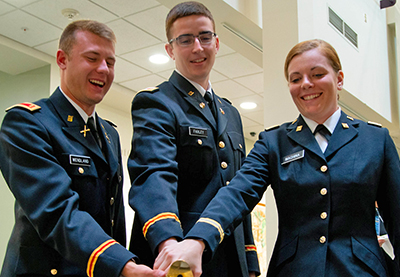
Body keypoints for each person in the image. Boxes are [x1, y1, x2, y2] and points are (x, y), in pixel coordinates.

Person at [154, 39, 400, 277]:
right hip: (295, 270)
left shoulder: (375, 139)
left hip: (361, 270)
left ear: (339, 80)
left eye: (317, 74)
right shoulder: (274, 142)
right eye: (295, 78)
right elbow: (238, 192)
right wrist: (198, 239)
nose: (305, 84)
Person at [0, 20, 165, 277]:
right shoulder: (27, 123)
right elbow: (56, 212)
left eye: (110, 63)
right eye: (92, 58)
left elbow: (113, 219)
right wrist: (122, 265)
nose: (103, 69)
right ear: (62, 59)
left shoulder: (109, 134)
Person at [127, 1, 260, 277]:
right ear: (170, 50)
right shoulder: (156, 102)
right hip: (180, 258)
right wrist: (170, 245)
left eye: (204, 37)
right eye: (185, 40)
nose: (197, 47)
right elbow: (154, 175)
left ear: (217, 43)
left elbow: (238, 188)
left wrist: (250, 261)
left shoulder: (230, 112)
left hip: (229, 258)